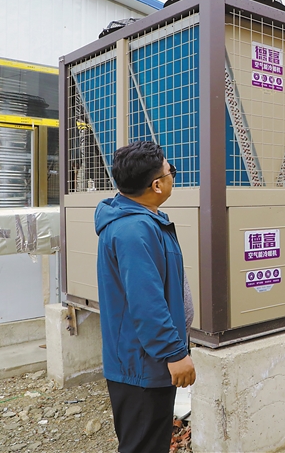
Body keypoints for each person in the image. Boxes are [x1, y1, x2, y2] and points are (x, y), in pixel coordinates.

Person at [95, 141, 196, 453]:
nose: (172, 176)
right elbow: (146, 303)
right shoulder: (134, 231)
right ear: (156, 185)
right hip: (143, 365)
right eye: (170, 171)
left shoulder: (144, 220)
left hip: (147, 361)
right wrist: (174, 354)